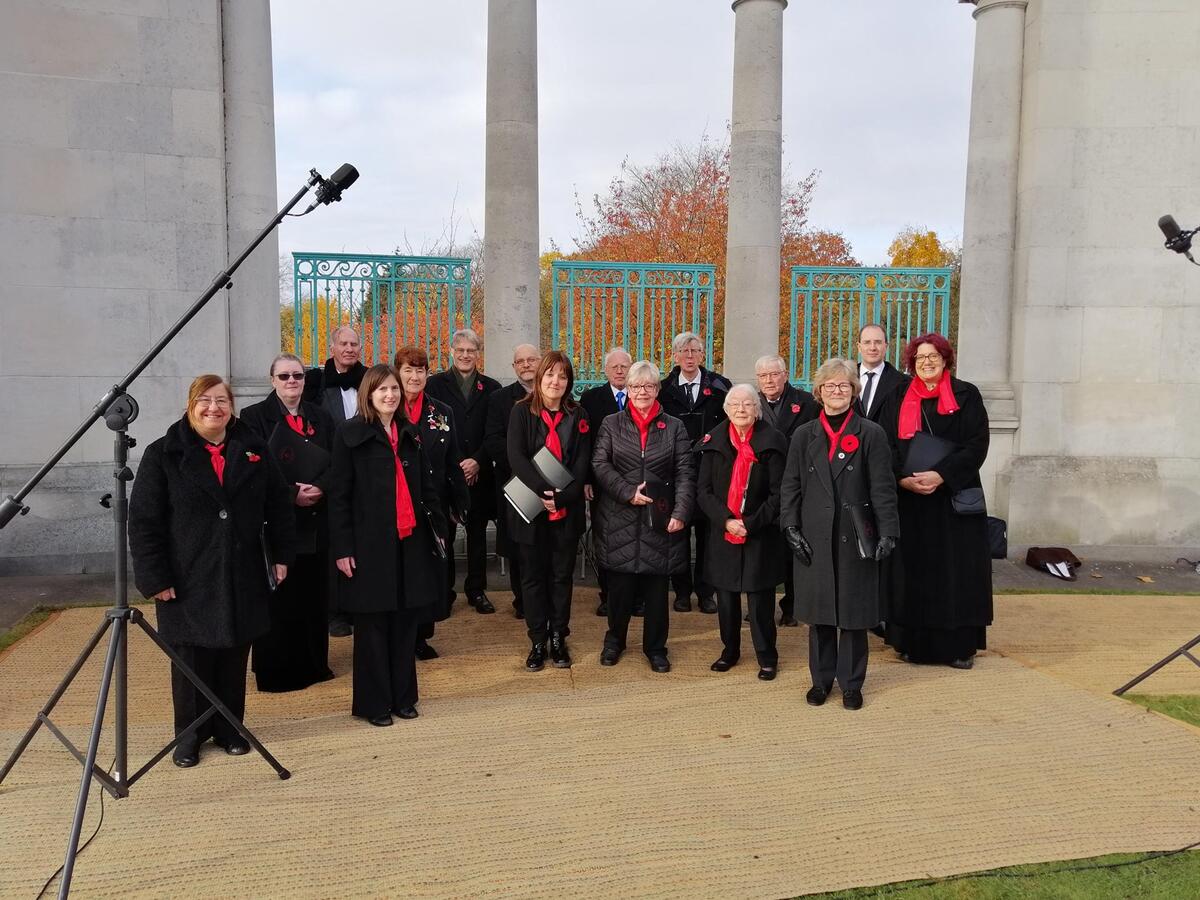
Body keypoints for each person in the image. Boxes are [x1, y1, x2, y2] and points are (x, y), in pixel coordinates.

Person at [129, 375, 295, 768]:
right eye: (204, 400)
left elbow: (279, 506)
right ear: (189, 405)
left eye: (221, 400)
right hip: (186, 578)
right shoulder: (162, 454)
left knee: (234, 656)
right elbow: (144, 523)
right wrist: (156, 578)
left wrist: (281, 555)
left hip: (243, 572)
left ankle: (229, 728)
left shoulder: (254, 448)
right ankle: (189, 735)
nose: (213, 408)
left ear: (232, 406)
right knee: (190, 660)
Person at [327, 364, 447, 725]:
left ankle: (403, 697)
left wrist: (437, 527)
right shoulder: (349, 434)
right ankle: (374, 704)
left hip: (408, 542)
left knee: (405, 623)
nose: (391, 395)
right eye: (383, 390)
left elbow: (426, 488)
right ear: (369, 394)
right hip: (368, 546)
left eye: (394, 389)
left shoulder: (409, 433)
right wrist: (343, 548)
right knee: (373, 628)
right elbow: (339, 496)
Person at [780, 359, 899, 710]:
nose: (836, 391)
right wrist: (789, 525)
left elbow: (883, 487)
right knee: (819, 617)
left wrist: (888, 531)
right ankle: (821, 681)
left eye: (844, 385)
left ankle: (851, 683)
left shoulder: (871, 433)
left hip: (855, 536)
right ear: (819, 392)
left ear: (853, 391)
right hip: (814, 535)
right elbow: (791, 485)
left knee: (853, 615)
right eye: (830, 386)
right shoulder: (804, 435)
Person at [875, 333, 992, 669]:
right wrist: (901, 478)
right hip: (910, 500)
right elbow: (883, 443)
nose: (927, 362)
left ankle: (959, 648)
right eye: (920, 357)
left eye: (933, 356)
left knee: (956, 572)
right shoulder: (896, 395)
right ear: (912, 362)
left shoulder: (967, 394)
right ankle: (910, 643)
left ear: (946, 359)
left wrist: (941, 475)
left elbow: (976, 444)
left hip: (952, 500)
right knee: (911, 572)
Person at [239, 353, 335, 693]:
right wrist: (292, 491)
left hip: (316, 516)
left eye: (297, 375)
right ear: (272, 380)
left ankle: (314, 664)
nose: (292, 381)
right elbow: (252, 465)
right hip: (278, 519)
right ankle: (279, 671)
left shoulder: (321, 417)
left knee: (313, 594)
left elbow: (336, 459)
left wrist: (321, 486)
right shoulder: (252, 418)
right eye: (284, 376)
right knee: (280, 597)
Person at [591, 361, 695, 673]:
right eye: (636, 386)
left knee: (656, 592)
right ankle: (614, 641)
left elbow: (686, 472)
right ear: (628, 389)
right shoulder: (611, 423)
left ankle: (656, 648)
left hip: (660, 520)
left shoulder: (674, 427)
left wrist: (681, 512)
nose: (642, 392)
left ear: (657, 389)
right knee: (619, 590)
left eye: (649, 386)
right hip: (619, 516)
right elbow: (599, 463)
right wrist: (625, 491)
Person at [505, 351, 592, 670]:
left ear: (569, 382)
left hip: (565, 510)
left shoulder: (579, 414)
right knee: (532, 578)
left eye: (563, 376)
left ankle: (559, 637)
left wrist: (563, 497)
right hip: (530, 508)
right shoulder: (521, 413)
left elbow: (582, 462)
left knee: (560, 576)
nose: (556, 381)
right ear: (540, 378)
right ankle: (537, 640)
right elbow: (516, 457)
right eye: (550, 374)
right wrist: (543, 492)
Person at [696, 384, 788, 679]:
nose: (740, 409)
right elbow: (703, 491)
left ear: (757, 409)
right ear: (725, 409)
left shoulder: (772, 441)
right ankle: (730, 651)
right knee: (726, 598)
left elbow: (779, 493)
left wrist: (750, 523)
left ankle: (767, 655)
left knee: (760, 600)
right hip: (724, 531)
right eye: (734, 404)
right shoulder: (714, 441)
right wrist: (725, 520)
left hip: (759, 532)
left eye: (747, 404)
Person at [395, 345, 470, 660]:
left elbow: (453, 461)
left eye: (421, 370)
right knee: (401, 573)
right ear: (397, 373)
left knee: (429, 572)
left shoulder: (442, 412)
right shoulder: (386, 407)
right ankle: (400, 634)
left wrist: (459, 506)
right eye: (408, 370)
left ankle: (422, 636)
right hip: (397, 508)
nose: (415, 376)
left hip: (434, 507)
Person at [426, 328, 501, 614]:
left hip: (480, 472)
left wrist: (477, 461)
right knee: (445, 530)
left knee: (478, 533)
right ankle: (444, 591)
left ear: (478, 354)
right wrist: (457, 464)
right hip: (448, 471)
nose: (466, 355)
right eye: (461, 350)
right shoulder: (434, 385)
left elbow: (493, 431)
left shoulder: (492, 388)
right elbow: (432, 428)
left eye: (471, 350)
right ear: (452, 352)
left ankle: (476, 589)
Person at [302, 324, 367, 637]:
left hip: (365, 473)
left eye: (354, 344)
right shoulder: (313, 382)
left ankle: (358, 605)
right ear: (332, 347)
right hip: (328, 471)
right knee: (333, 543)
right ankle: (334, 611)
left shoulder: (370, 379)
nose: (349, 349)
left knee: (361, 540)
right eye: (344, 343)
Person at [658, 331, 729, 614]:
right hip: (674, 473)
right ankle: (682, 591)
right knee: (677, 534)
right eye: (683, 351)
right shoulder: (663, 389)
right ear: (674, 356)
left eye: (694, 351)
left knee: (709, 536)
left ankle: (706, 591)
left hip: (710, 471)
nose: (689, 356)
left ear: (702, 355)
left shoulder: (721, 386)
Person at [754, 353, 819, 627]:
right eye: (763, 376)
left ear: (785, 374)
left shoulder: (807, 403)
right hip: (761, 485)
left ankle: (793, 605)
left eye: (774, 374)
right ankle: (760, 607)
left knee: (794, 546)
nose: (769, 380)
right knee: (763, 548)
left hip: (797, 483)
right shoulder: (750, 402)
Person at [483, 342, 542, 619]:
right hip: (513, 483)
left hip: (551, 483)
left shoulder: (555, 394)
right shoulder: (499, 399)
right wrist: (526, 468)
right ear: (514, 367)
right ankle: (522, 601)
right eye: (521, 361)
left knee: (546, 543)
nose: (527, 365)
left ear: (541, 363)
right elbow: (494, 441)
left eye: (532, 359)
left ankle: (545, 598)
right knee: (519, 545)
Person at [579, 346, 632, 617]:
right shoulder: (591, 398)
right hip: (602, 481)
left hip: (635, 482)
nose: (620, 371)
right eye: (615, 367)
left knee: (635, 539)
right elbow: (584, 442)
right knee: (605, 539)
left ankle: (635, 597)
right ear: (605, 370)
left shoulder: (641, 393)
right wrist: (586, 479)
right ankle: (607, 595)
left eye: (624, 366)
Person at [855, 323, 902, 423]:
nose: (872, 348)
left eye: (878, 342)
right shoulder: (845, 378)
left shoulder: (902, 383)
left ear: (886, 346)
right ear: (859, 347)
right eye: (867, 342)